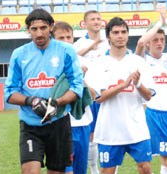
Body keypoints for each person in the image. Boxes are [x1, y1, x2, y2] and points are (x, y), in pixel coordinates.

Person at [4, 9, 84, 174]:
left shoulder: (66, 51)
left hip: (59, 123)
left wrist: (57, 103)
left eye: (43, 28)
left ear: (51, 27)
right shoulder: (19, 54)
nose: (39, 33)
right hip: (30, 125)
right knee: (29, 171)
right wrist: (31, 101)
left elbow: (77, 85)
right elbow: (10, 92)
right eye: (34, 29)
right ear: (28, 30)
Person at [85, 17, 155, 174]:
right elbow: (99, 98)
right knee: (108, 170)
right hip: (110, 130)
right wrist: (123, 85)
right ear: (108, 37)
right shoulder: (99, 63)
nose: (120, 36)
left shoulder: (138, 62)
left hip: (137, 128)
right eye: (116, 32)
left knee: (145, 168)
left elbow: (149, 95)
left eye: (124, 32)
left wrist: (137, 84)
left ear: (128, 35)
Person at [135, 5, 167, 174]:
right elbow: (141, 42)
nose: (159, 43)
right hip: (157, 115)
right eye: (155, 40)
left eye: (162, 40)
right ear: (149, 43)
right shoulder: (142, 60)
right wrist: (158, 23)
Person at [53, 21, 95, 174]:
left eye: (68, 37)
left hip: (82, 124)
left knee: (79, 170)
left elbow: (93, 96)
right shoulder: (49, 65)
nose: (65, 41)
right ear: (53, 40)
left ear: (73, 39)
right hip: (59, 124)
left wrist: (80, 80)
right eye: (60, 38)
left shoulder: (85, 63)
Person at [73, 10, 110, 174]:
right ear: (85, 23)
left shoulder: (108, 42)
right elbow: (71, 60)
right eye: (93, 19)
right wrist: (90, 47)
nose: (97, 21)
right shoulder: (79, 43)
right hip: (90, 94)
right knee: (91, 136)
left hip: (107, 94)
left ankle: (110, 168)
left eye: (99, 19)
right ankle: (94, 170)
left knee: (110, 133)